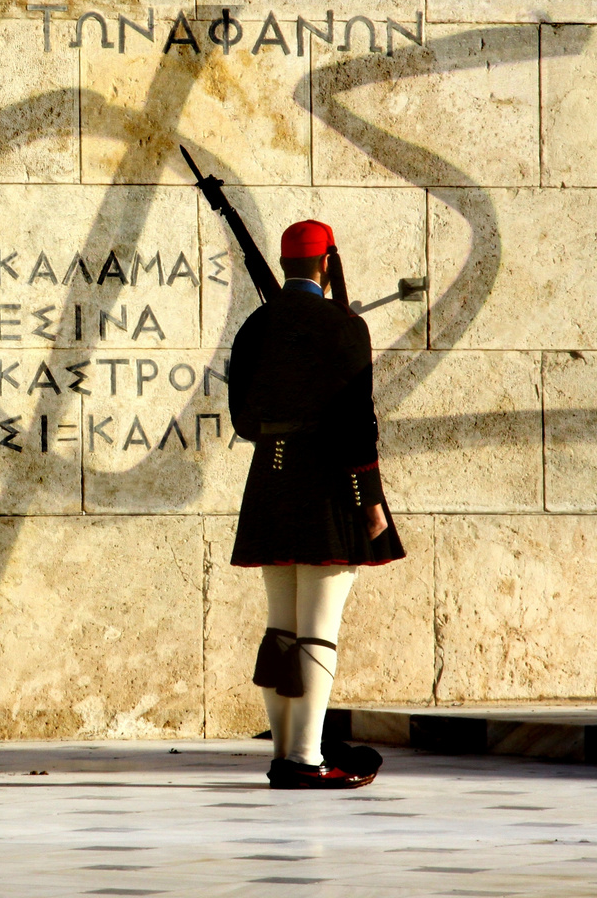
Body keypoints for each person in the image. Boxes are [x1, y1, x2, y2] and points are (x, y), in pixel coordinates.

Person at [228, 219, 404, 790]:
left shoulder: (255, 326)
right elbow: (359, 424)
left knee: (281, 630)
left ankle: (284, 752)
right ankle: (305, 759)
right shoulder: (344, 326)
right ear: (327, 262)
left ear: (285, 265)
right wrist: (371, 502)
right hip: (325, 487)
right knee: (317, 631)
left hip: (269, 485)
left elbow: (243, 420)